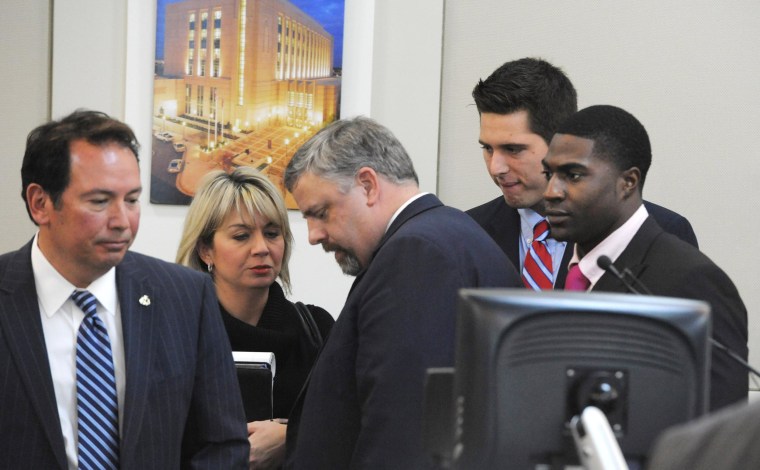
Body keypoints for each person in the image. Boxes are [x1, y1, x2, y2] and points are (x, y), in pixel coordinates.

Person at [0, 110, 248, 469]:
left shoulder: (186, 297)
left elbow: (222, 445)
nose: (122, 222)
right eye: (99, 202)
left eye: (131, 200)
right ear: (40, 203)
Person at [281, 116, 521, 468]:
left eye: (320, 213)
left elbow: (404, 432)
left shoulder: (418, 255)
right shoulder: (444, 234)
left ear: (367, 185)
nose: (314, 235)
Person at [541, 104, 748, 411]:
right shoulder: (573, 268)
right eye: (549, 173)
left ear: (628, 182)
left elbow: (721, 430)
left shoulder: (691, 280)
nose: (551, 191)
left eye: (573, 175)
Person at [466, 58, 698, 289]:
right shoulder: (468, 232)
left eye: (513, 149)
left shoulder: (661, 232)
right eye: (487, 148)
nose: (496, 167)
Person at [176, 166, 334, 469]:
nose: (261, 248)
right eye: (241, 236)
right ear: (206, 250)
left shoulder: (317, 329)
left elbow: (348, 421)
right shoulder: (176, 333)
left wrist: (291, 437)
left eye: (272, 233)